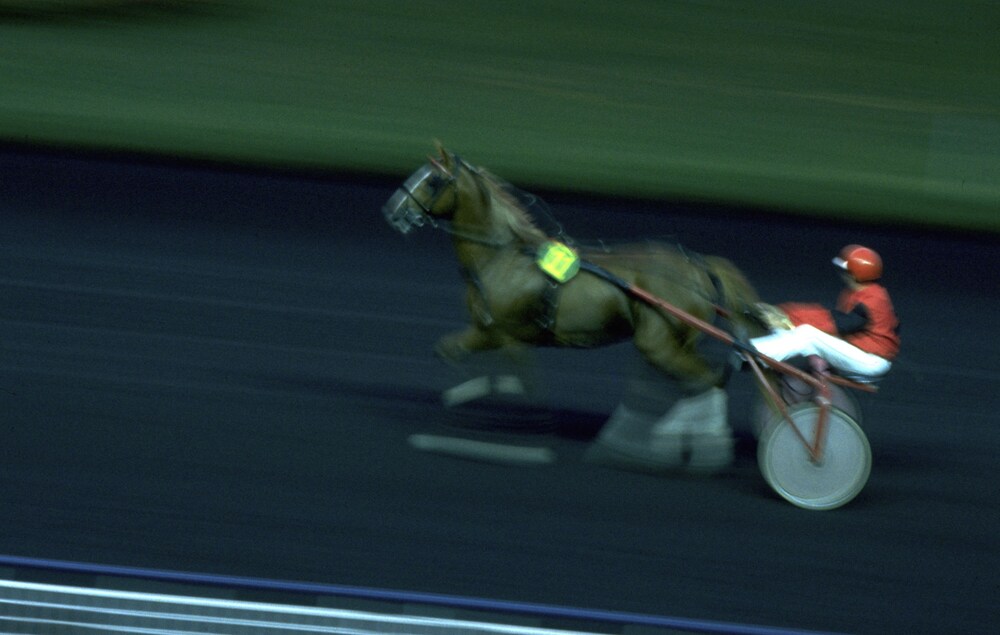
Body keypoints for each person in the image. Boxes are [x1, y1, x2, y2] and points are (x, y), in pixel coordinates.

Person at [748, 244, 900, 382]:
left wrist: (788, 318)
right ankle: (764, 346)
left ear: (854, 274)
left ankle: (753, 352)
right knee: (799, 331)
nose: (841, 274)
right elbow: (828, 317)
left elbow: (838, 324)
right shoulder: (861, 293)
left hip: (870, 361)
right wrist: (785, 313)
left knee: (808, 334)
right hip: (862, 353)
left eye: (844, 271)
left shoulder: (872, 299)